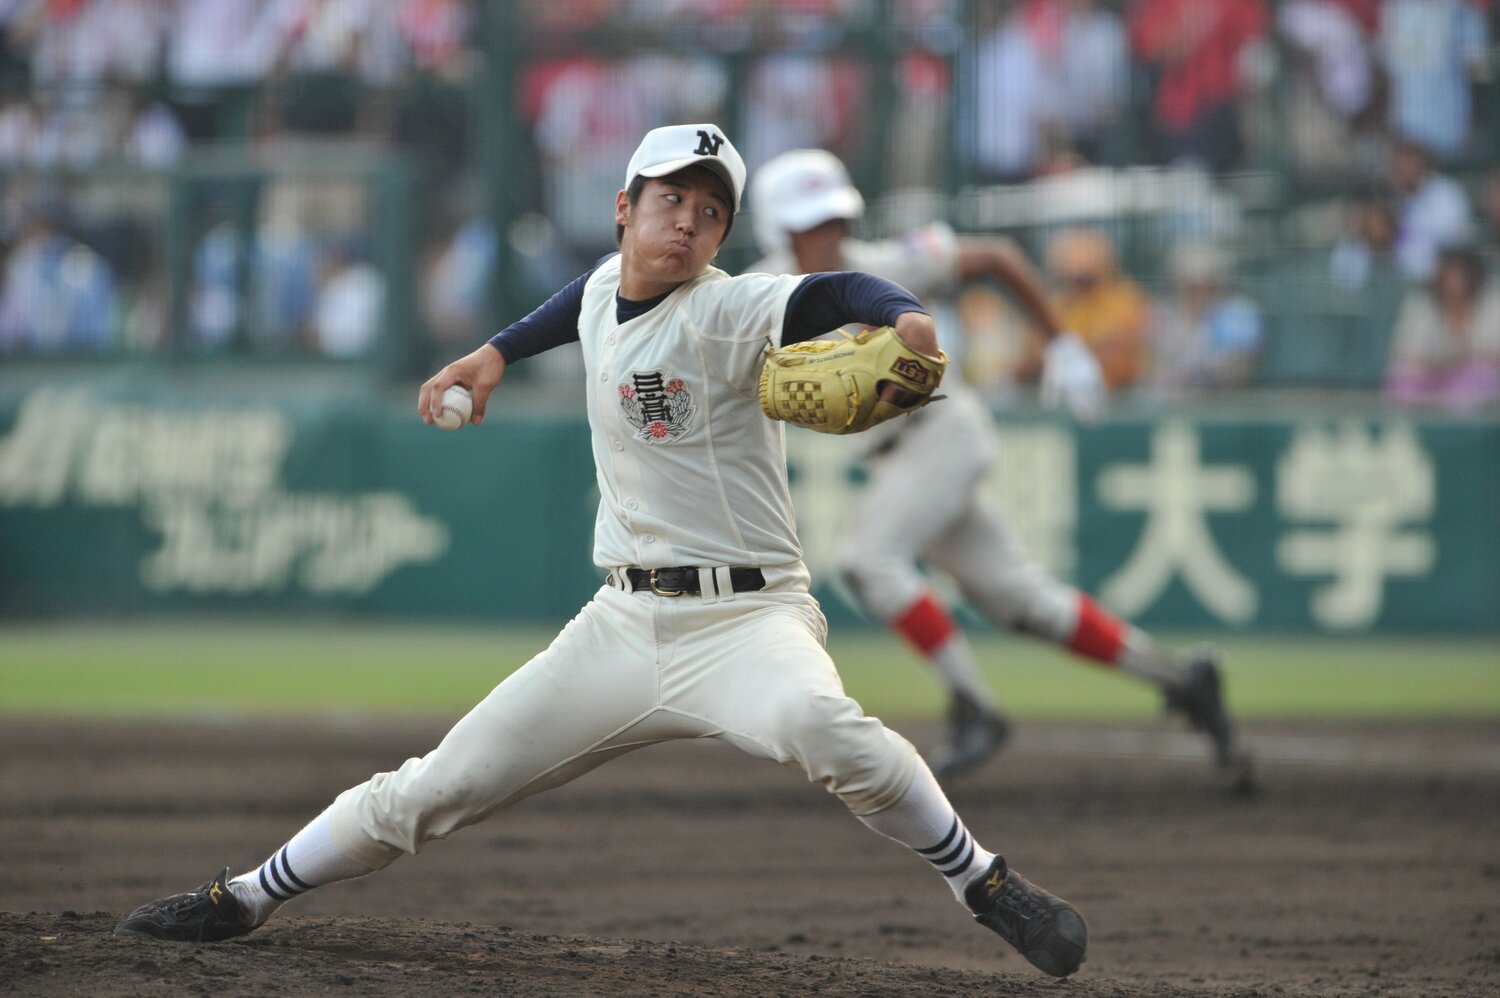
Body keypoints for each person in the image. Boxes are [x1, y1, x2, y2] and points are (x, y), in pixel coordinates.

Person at [111, 124, 1089, 980]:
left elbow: (834, 288)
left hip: (749, 619)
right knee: (437, 784)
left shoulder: (728, 305)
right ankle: (245, 893)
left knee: (824, 723)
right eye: (671, 200)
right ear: (625, 206)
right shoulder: (594, 295)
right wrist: (492, 355)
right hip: (621, 624)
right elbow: (573, 304)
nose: (689, 224)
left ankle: (982, 880)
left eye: (710, 212)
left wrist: (903, 317)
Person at [745, 149, 1253, 787]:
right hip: (900, 456)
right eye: (808, 225)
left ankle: (977, 708)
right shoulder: (757, 295)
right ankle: (1185, 679)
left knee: (868, 559)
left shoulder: (881, 265)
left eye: (833, 221)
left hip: (942, 434)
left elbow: (997, 258)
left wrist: (1062, 343)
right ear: (777, 232)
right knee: (1023, 603)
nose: (826, 236)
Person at [1384, 244, 1500, 410]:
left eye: (1460, 275)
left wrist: (1464, 357)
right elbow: (1405, 352)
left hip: (1471, 380)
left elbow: (1493, 354)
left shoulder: (1491, 299)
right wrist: (1443, 361)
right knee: (1404, 378)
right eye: (1449, 274)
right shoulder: (1421, 303)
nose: (1454, 281)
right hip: (1431, 377)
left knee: (1483, 378)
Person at [1148, 240, 1263, 393]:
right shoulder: (1163, 313)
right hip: (1170, 397)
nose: (1200, 293)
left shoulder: (1238, 313)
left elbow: (1238, 367)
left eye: (1206, 285)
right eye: (1191, 287)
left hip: (1222, 398)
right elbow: (1151, 361)